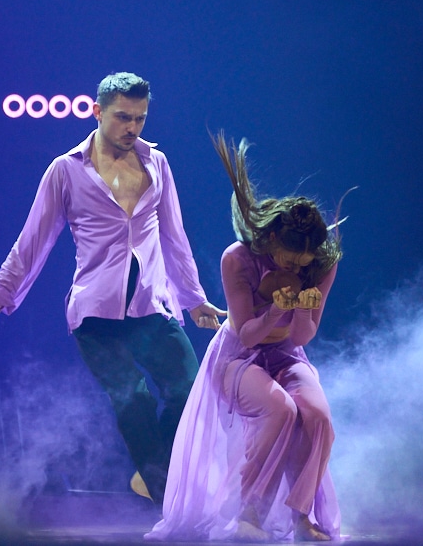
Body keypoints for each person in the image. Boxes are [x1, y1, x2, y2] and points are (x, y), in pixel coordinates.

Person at [0, 72, 225, 505]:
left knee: (189, 391)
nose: (132, 127)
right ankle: (168, 497)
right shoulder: (66, 170)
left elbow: (174, 238)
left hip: (152, 306)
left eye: (140, 118)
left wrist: (194, 299)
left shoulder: (157, 163)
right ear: (97, 111)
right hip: (96, 315)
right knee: (133, 401)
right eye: (123, 117)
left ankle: (152, 474)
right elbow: (33, 241)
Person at [147, 133, 343, 543]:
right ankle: (248, 512)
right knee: (280, 409)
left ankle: (301, 518)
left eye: (303, 263)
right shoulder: (237, 258)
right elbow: (250, 335)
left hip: (287, 356)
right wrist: (274, 309)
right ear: (271, 241)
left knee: (317, 415)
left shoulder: (321, 265)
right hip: (238, 356)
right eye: (290, 260)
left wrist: (301, 308)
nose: (297, 268)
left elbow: (302, 335)